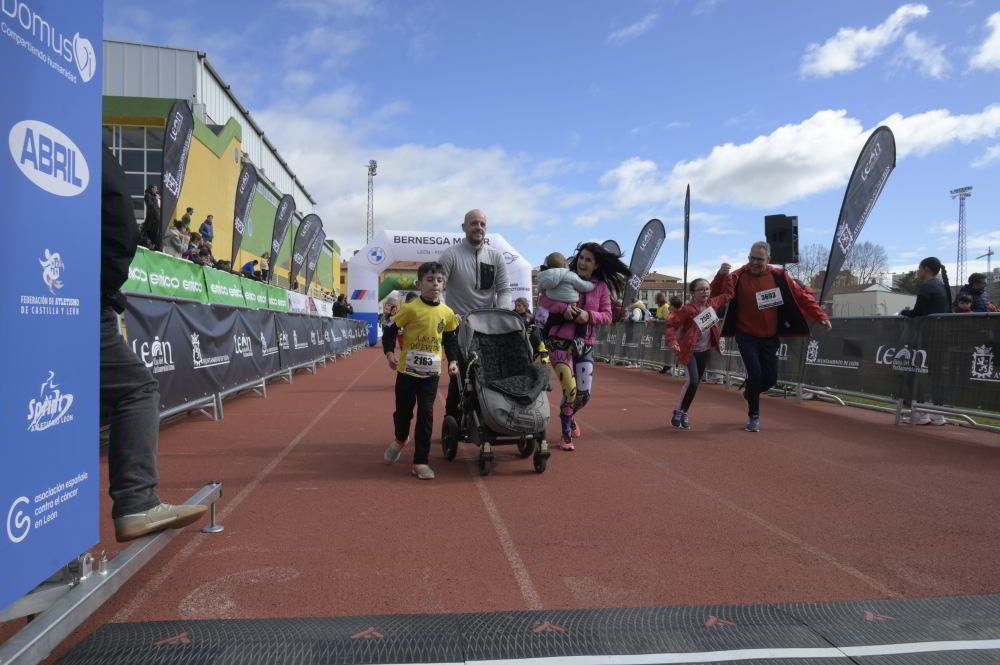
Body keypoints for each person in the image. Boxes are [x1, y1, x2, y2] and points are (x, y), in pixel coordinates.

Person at [100, 146, 207, 541]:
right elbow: (119, 227)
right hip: (72, 301)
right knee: (137, 390)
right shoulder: (82, 137)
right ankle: (137, 502)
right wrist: (107, 291)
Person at [715, 242, 830, 433]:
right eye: (752, 258)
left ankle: (750, 393)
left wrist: (821, 316)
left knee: (770, 380)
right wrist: (720, 276)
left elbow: (802, 296)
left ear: (768, 259)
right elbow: (716, 294)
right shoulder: (737, 276)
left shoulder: (779, 276)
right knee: (755, 374)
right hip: (746, 335)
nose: (754, 262)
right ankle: (754, 416)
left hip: (769, 336)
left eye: (759, 259)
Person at [539, 242, 630, 450]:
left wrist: (587, 315)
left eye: (588, 260)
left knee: (584, 395)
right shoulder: (561, 275)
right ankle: (565, 434)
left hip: (585, 344)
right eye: (581, 257)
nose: (582, 262)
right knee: (570, 389)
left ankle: (569, 416)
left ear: (596, 265)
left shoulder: (601, 288)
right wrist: (563, 309)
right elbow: (544, 300)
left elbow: (607, 316)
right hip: (559, 342)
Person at [382, 262, 460, 480]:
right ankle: (400, 439)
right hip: (407, 372)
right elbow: (390, 331)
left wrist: (452, 360)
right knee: (403, 414)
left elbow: (450, 338)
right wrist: (389, 353)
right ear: (419, 284)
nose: (435, 284)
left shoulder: (447, 312)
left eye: (439, 280)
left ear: (443, 285)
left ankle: (420, 461)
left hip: (431, 375)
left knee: (426, 414)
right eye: (429, 280)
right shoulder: (410, 309)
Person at [438, 209, 512, 425]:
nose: (478, 227)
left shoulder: (496, 256)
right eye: (473, 223)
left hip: (488, 326)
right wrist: (449, 315)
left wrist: (502, 314)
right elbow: (439, 287)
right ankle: (452, 418)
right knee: (460, 375)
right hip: (458, 326)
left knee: (490, 374)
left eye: (482, 224)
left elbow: (505, 290)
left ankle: (488, 417)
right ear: (464, 227)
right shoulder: (451, 254)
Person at [664, 270, 735, 429]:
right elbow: (670, 325)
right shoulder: (687, 310)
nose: (705, 292)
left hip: (705, 350)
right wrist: (673, 342)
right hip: (689, 351)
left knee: (695, 384)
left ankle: (684, 412)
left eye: (708, 289)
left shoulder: (712, 304)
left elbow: (729, 294)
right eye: (701, 289)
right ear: (692, 292)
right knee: (693, 380)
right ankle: (678, 411)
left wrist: (726, 274)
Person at [900, 256, 951, 425]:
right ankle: (938, 412)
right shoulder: (941, 287)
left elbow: (918, 312)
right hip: (940, 336)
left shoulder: (927, 286)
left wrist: (903, 313)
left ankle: (920, 412)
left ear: (926, 269)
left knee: (917, 371)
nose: (917, 271)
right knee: (935, 373)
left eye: (919, 267)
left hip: (926, 336)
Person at [535, 251, 594, 342]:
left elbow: (541, 291)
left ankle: (544, 338)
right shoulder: (570, 275)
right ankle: (580, 340)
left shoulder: (545, 276)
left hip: (554, 313)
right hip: (572, 307)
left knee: (549, 323)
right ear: (565, 263)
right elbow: (582, 286)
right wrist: (592, 285)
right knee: (582, 321)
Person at [140, 184, 161, 249]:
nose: (156, 190)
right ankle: (150, 244)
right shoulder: (147, 195)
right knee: (151, 231)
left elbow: (158, 206)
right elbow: (150, 205)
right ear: (151, 189)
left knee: (155, 232)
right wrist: (156, 199)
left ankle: (153, 244)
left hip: (156, 217)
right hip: (152, 217)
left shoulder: (154, 196)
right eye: (155, 188)